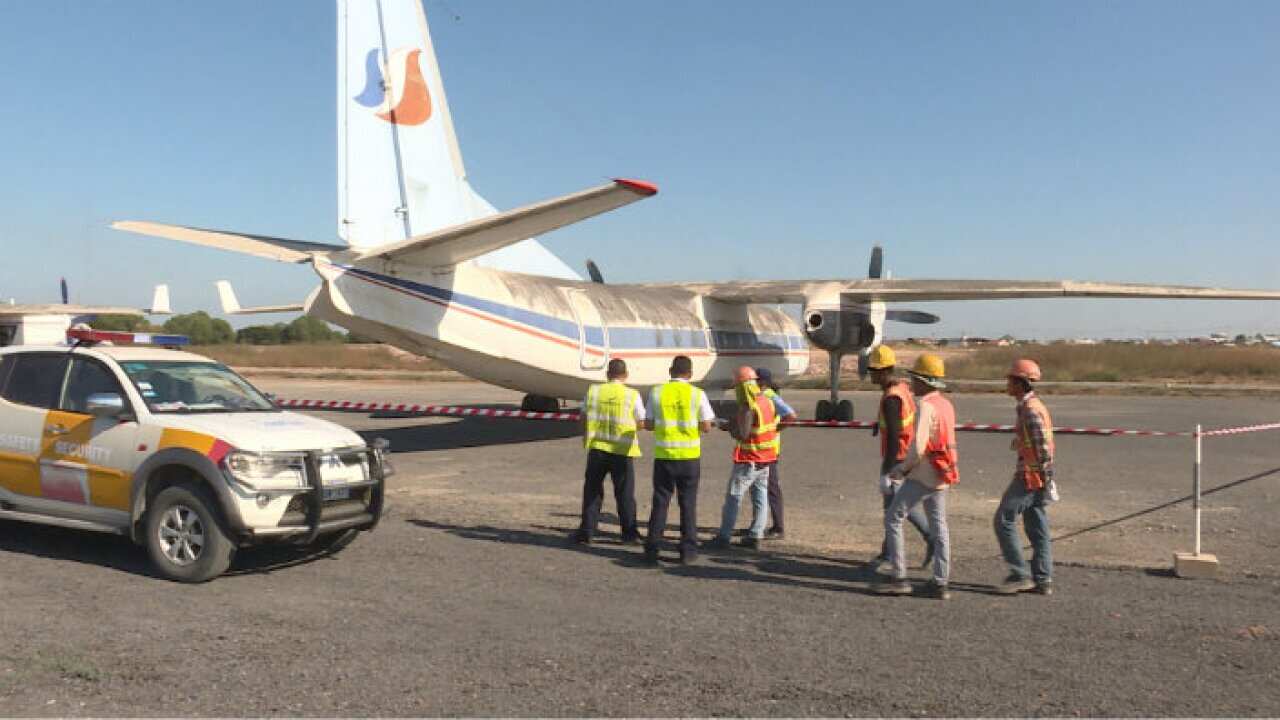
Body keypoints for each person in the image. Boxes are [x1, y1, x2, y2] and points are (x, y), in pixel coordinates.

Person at [875, 353, 958, 600]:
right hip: (943, 471)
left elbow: (918, 447)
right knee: (939, 526)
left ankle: (899, 577)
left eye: (915, 379)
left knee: (893, 518)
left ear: (923, 380)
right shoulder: (946, 404)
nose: (912, 384)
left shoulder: (926, 406)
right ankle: (940, 582)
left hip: (924, 473)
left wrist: (899, 471)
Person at [642, 355, 717, 564]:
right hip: (689, 457)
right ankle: (688, 551)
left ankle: (652, 548)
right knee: (688, 504)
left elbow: (648, 424)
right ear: (690, 374)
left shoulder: (657, 392)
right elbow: (706, 426)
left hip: (665, 455)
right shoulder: (697, 394)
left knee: (660, 502)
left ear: (670, 371)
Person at [865, 346, 934, 571]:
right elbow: (898, 421)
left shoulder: (891, 398)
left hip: (897, 458)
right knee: (896, 506)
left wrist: (887, 472)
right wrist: (879, 424)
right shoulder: (902, 389)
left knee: (895, 508)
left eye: (875, 370)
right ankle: (889, 552)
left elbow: (895, 436)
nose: (871, 374)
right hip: (906, 454)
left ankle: (924, 540)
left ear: (885, 371)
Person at [994, 358, 1058, 595]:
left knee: (1003, 520)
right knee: (1037, 528)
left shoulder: (1030, 410)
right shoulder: (1030, 406)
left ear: (1020, 383)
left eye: (1010, 380)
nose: (1007, 384)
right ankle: (1043, 578)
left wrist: (1043, 478)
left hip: (1029, 477)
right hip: (1036, 475)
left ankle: (1020, 574)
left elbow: (1042, 448)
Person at [706, 366, 779, 550]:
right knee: (760, 497)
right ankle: (756, 535)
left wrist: (729, 428)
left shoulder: (749, 406)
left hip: (749, 459)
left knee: (734, 497)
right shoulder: (767, 402)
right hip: (766, 458)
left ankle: (724, 537)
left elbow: (743, 434)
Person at [573, 358, 644, 545]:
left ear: (607, 374)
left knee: (592, 491)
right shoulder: (632, 394)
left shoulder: (594, 391)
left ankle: (587, 531)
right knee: (624, 493)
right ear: (626, 375)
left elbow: (583, 417)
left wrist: (586, 435)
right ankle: (629, 534)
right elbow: (642, 422)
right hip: (621, 450)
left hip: (598, 448)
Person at [755, 367, 796, 540]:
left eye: (755, 380)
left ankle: (778, 527)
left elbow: (791, 415)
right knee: (758, 489)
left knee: (771, 488)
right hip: (761, 449)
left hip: (769, 450)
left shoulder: (770, 396)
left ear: (762, 382)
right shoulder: (762, 395)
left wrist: (775, 430)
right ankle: (758, 525)